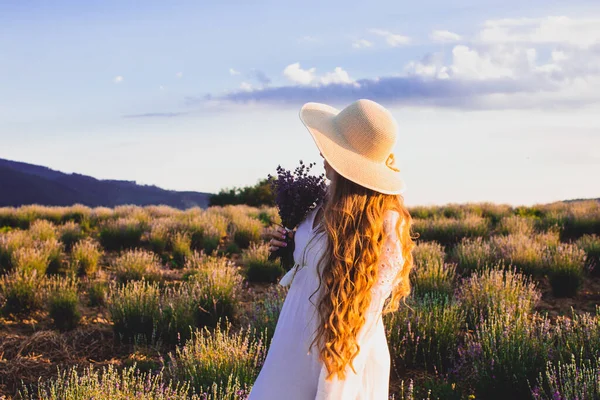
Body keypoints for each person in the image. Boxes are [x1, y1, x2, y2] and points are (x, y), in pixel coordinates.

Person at [248, 99, 416, 399]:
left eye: (333, 145)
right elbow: (317, 267)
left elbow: (359, 319)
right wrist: (292, 252)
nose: (322, 152)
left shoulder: (384, 225)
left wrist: (332, 388)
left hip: (335, 349)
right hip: (293, 341)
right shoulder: (320, 203)